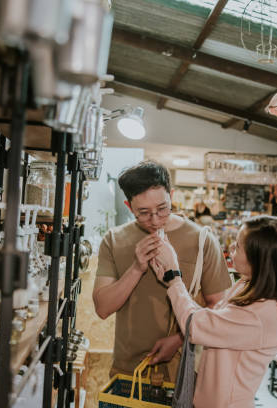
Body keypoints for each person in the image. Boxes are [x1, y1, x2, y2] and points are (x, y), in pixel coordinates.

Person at [93, 161, 232, 380]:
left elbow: (220, 307)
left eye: (162, 209)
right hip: (128, 373)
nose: (155, 220)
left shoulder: (202, 240)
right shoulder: (114, 240)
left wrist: (179, 338)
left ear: (172, 195)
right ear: (129, 207)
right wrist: (137, 268)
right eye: (144, 212)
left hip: (183, 375)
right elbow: (102, 308)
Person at [150, 215, 277, 408]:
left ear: (259, 259)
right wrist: (171, 280)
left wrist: (174, 277)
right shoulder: (247, 284)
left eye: (238, 246)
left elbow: (197, 325)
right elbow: (213, 322)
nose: (231, 248)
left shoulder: (262, 314)